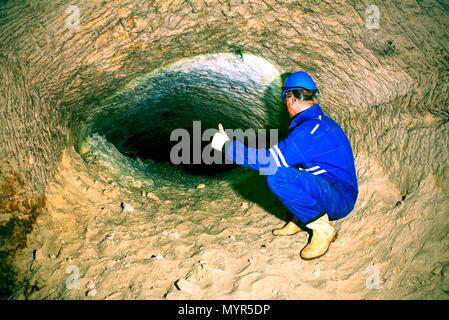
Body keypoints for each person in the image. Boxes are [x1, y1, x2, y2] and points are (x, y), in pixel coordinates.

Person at [210, 71, 358, 260]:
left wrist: (226, 145)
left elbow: (268, 161)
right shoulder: (314, 124)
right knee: (286, 165)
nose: (286, 104)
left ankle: (322, 230)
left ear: (292, 98)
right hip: (328, 188)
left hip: (339, 198)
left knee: (275, 174)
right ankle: (300, 219)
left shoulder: (311, 130)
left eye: (286, 98)